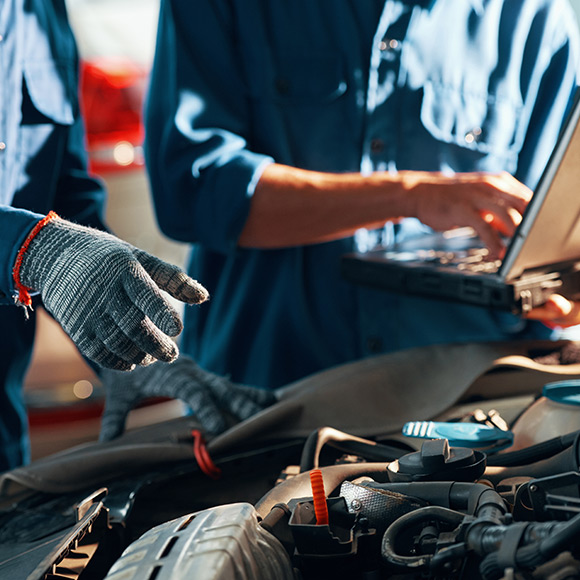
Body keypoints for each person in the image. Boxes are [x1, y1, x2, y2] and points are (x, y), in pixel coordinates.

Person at [144, 0, 580, 391]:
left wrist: (563, 285)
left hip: (472, 406)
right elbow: (191, 191)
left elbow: (550, 231)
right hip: (265, 399)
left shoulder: (537, 16)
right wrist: (411, 196)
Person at [0, 0, 273, 472]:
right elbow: (41, 243)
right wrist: (32, 248)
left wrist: (130, 346)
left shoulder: (37, 12)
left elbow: (60, 197)